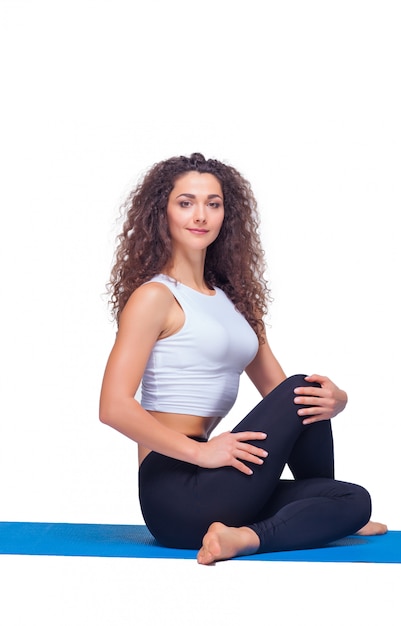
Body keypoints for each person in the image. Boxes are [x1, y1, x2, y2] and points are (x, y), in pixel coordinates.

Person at [99, 152, 386, 564]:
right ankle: (290, 525)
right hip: (175, 489)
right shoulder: (154, 297)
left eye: (213, 204)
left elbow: (281, 395)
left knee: (352, 498)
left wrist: (336, 401)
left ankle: (245, 537)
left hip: (224, 484)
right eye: (186, 202)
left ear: (225, 215)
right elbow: (112, 407)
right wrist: (200, 453)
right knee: (302, 386)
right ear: (161, 212)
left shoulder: (235, 302)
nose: (201, 215)